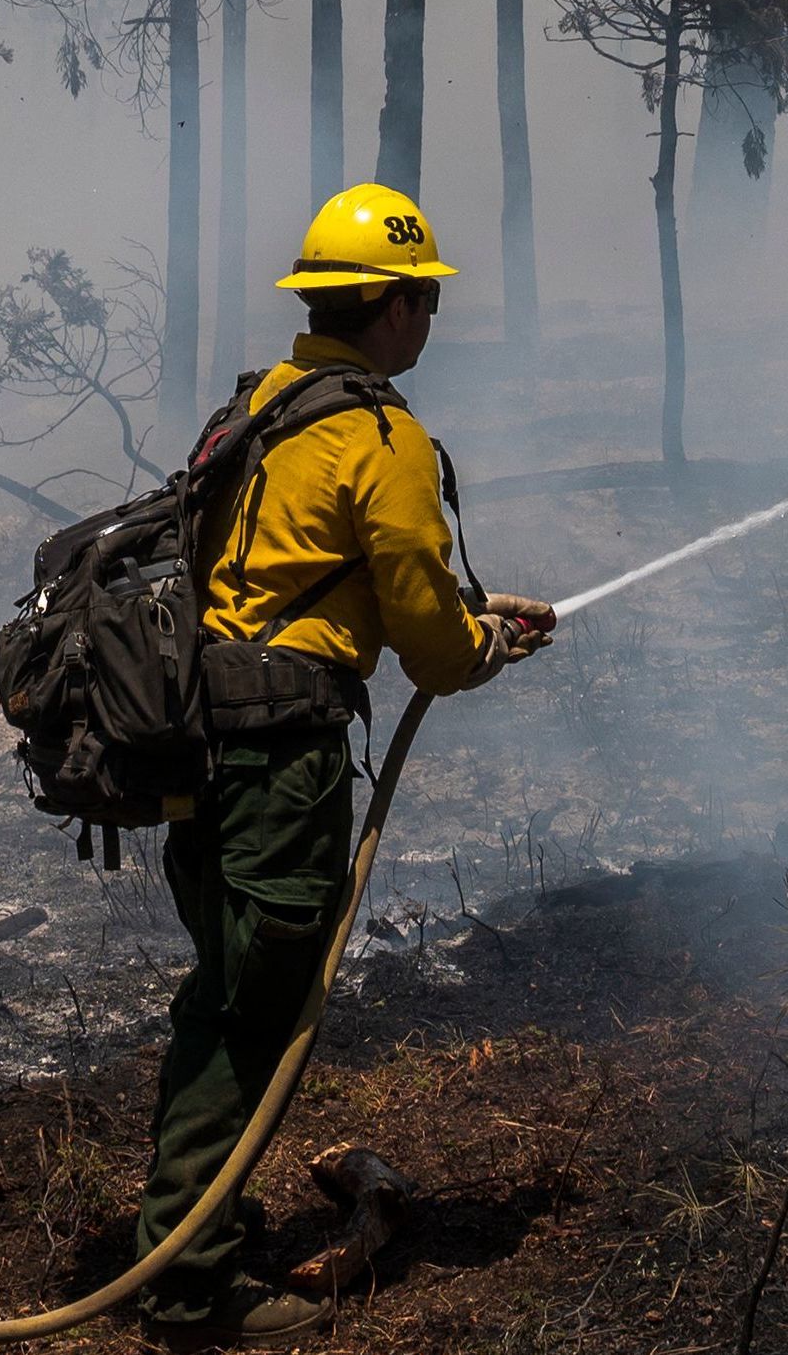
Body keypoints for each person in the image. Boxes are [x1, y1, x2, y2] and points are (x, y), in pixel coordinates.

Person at [132, 187, 557, 1344]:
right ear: (398, 308)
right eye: (424, 298)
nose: (430, 318)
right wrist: (481, 647)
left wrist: (472, 619)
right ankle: (190, 1290)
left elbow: (294, 572)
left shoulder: (262, 407)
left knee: (220, 995)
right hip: (280, 768)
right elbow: (429, 643)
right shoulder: (384, 440)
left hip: (202, 747)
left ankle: (182, 1227)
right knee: (254, 1015)